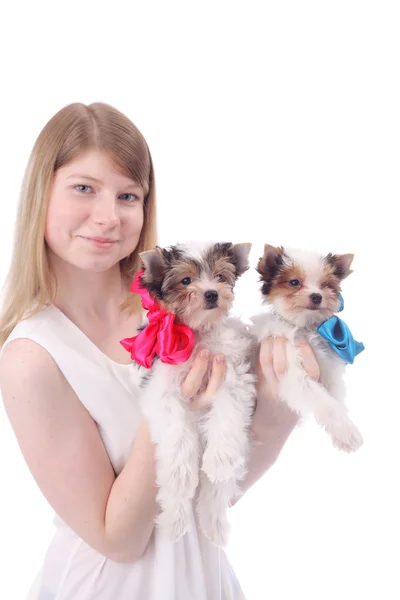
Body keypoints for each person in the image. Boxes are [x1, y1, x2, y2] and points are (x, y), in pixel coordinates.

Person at [0, 102, 320, 600]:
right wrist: (177, 409)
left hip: (202, 581)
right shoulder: (33, 357)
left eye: (129, 195)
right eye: (84, 188)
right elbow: (117, 538)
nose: (108, 217)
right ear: (42, 191)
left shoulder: (182, 311)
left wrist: (278, 410)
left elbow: (210, 492)